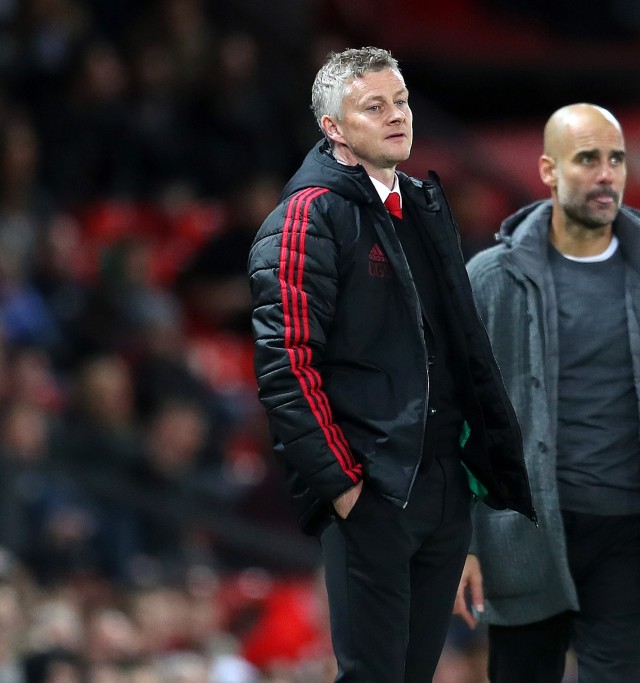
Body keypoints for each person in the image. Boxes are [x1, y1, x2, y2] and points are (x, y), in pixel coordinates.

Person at [247, 46, 535, 683]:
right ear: (333, 127)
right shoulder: (306, 217)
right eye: (374, 106)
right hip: (372, 489)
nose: (397, 115)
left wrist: (465, 490)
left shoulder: (422, 206)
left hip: (439, 490)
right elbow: (285, 365)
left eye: (401, 101)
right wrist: (344, 487)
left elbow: (456, 354)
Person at [454, 103, 640, 682]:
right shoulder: (491, 278)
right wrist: (461, 542)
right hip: (522, 535)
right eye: (588, 159)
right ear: (549, 171)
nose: (607, 174)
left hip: (632, 534)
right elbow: (452, 415)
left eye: (616, 159)